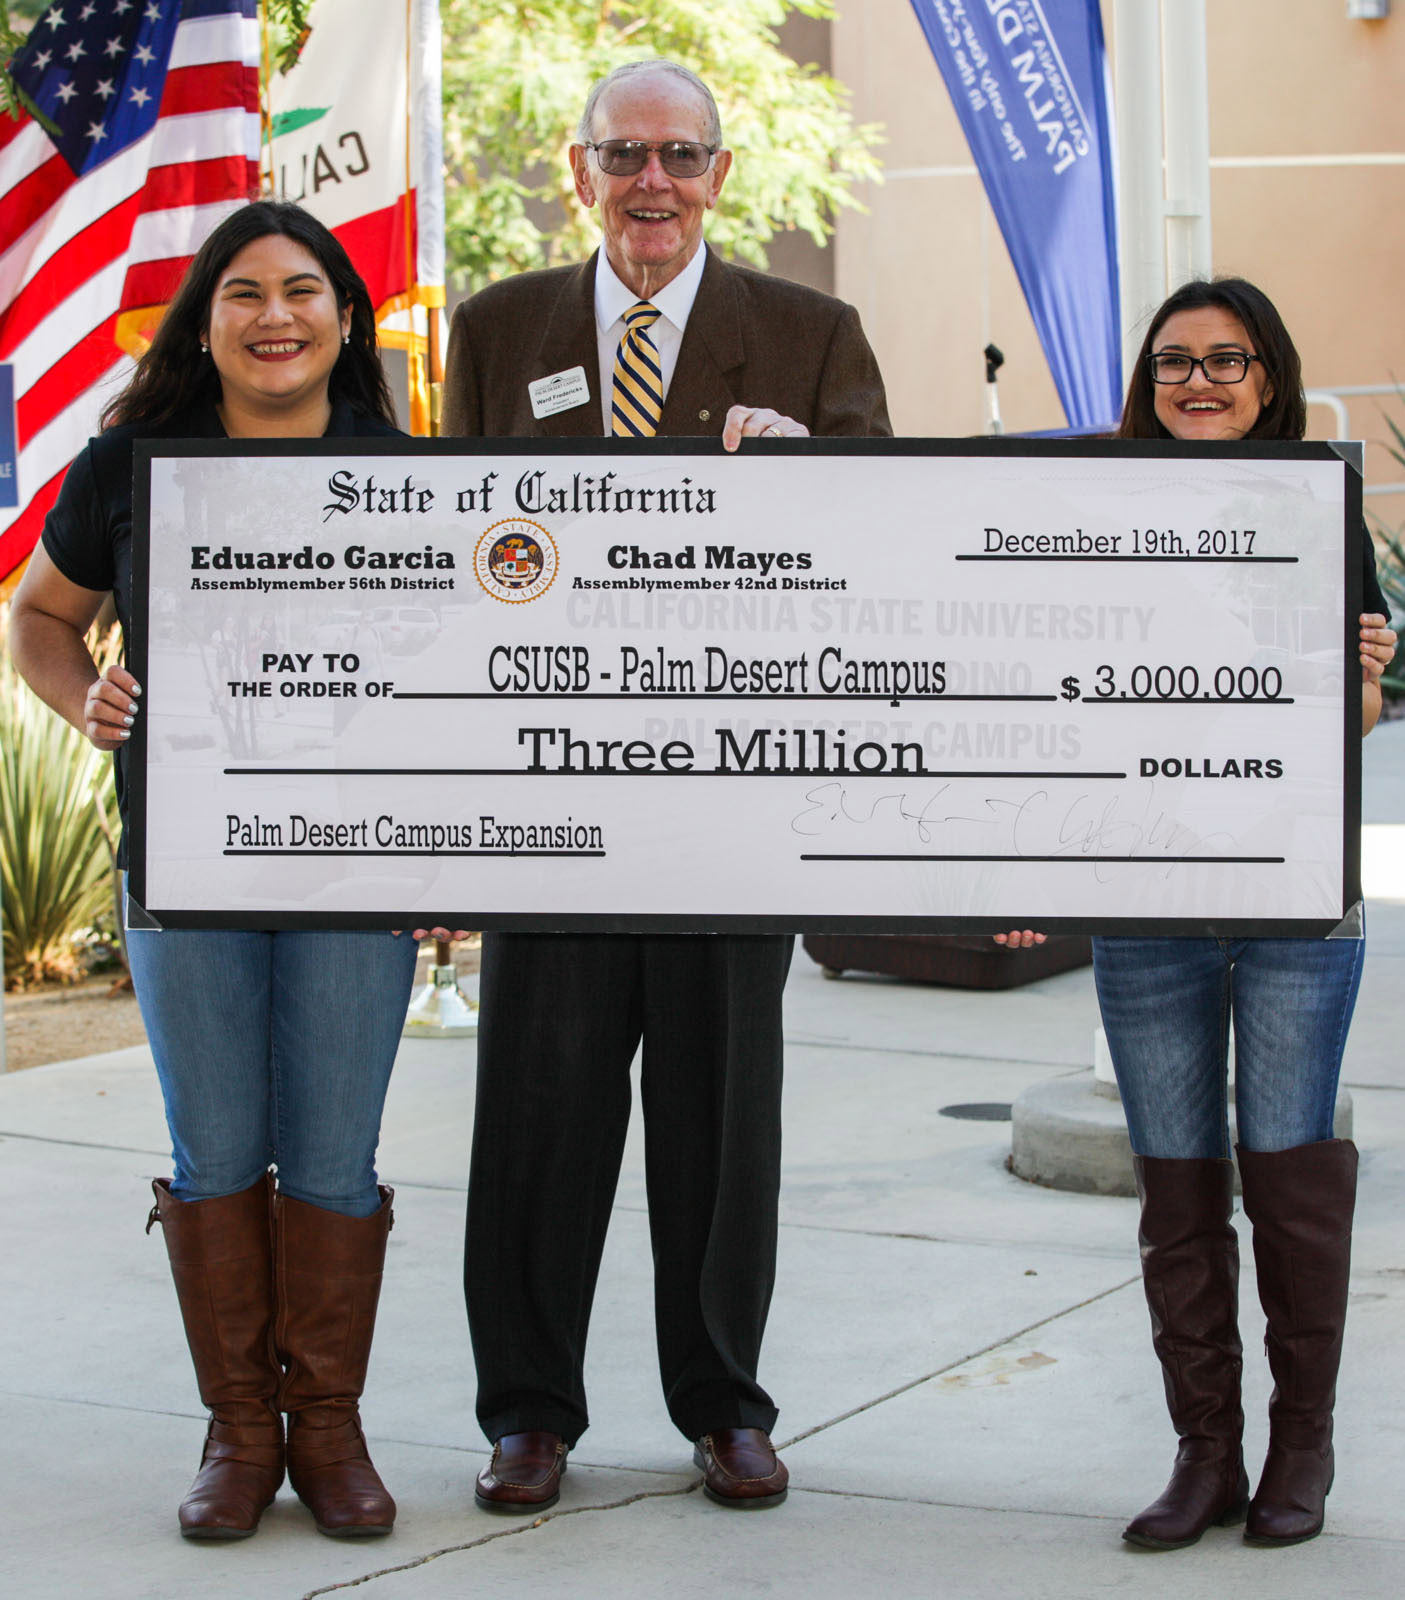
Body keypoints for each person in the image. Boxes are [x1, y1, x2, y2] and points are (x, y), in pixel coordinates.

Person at [439, 58, 891, 1513]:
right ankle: (526, 1414)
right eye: (624, 156)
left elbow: (889, 562)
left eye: (679, 157)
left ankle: (723, 1405)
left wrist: (812, 486)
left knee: (718, 1118)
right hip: (552, 805)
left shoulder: (813, 338)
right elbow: (449, 564)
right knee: (536, 1117)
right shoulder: (499, 330)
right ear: (579, 171)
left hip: (730, 809)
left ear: (721, 172)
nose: (653, 184)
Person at [8, 202, 418, 1542]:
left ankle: (332, 1429)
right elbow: (41, 620)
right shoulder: (133, 465)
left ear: (345, 319)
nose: (275, 315)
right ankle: (243, 1433)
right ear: (206, 322)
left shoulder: (402, 469)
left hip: (355, 874)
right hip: (186, 866)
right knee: (217, 1153)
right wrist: (91, 706)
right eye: (242, 293)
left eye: (303, 291)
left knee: (336, 1159)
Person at [1087, 278, 1394, 1551]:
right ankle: (1203, 1450)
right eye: (1174, 363)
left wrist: (1363, 683)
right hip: (1144, 898)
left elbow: (1354, 734)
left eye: (1226, 360)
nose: (1198, 381)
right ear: (1145, 386)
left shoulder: (1322, 509)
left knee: (1289, 1176)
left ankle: (1298, 1448)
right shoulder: (1086, 515)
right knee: (1174, 1185)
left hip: (1287, 905)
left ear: (1270, 376)